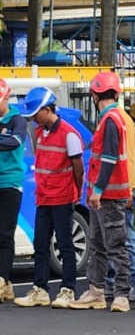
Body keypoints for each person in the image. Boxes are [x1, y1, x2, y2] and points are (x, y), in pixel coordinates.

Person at [67, 72, 133, 312]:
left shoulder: (111, 120)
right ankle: (96, 291)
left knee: (115, 245)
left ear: (94, 95)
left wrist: (97, 191)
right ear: (115, 93)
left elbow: (109, 158)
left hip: (108, 197)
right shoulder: (110, 118)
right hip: (102, 197)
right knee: (97, 244)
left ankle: (121, 294)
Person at [13, 87, 82, 309]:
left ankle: (68, 290)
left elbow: (78, 169)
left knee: (65, 244)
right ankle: (40, 289)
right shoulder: (41, 132)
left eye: (35, 114)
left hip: (62, 198)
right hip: (44, 197)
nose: (32, 118)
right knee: (40, 244)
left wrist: (76, 193)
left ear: (47, 109)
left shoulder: (69, 134)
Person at [105, 101, 135, 303]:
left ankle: (133, 283)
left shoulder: (118, 120)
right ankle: (118, 281)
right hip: (118, 186)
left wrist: (129, 187)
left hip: (123, 186)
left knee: (125, 237)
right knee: (116, 237)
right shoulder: (119, 118)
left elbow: (125, 157)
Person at [0, 79, 26, 304]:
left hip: (10, 182)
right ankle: (6, 286)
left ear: (6, 98)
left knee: (5, 233)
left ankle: (2, 278)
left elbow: (15, 141)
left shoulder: (17, 119)